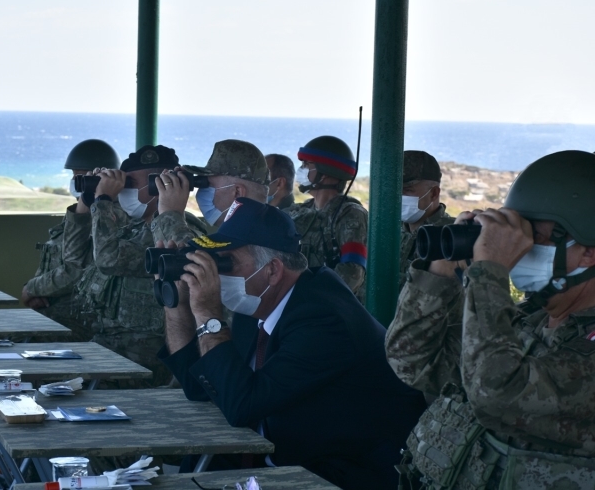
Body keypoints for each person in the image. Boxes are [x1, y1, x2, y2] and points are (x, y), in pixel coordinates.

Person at [159, 198, 426, 490]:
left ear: (272, 270)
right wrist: (177, 303)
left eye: (227, 262)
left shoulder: (324, 321)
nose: (220, 275)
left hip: (341, 471)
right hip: (281, 454)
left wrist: (209, 316)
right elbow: (200, 386)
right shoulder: (261, 303)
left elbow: (241, 406)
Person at [386, 150, 595, 488]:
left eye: (534, 238)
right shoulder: (528, 322)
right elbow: (411, 361)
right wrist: (441, 271)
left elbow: (495, 394)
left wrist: (490, 271)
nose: (522, 250)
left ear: (589, 250)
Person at [73, 145, 207, 387]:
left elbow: (108, 259)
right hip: (109, 347)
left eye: (131, 184)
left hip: (142, 357)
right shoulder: (133, 227)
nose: (124, 191)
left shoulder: (177, 232)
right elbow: (74, 257)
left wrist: (104, 200)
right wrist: (89, 201)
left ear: (160, 184)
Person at [21, 139, 120, 341]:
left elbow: (74, 268)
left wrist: (31, 289)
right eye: (75, 176)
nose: (78, 183)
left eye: (83, 177)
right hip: (55, 305)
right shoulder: (81, 212)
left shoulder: (110, 218)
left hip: (83, 315)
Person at [284, 136, 368, 303]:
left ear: (326, 173)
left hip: (328, 311)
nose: (301, 170)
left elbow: (352, 273)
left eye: (307, 165)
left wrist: (312, 299)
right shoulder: (303, 210)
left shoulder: (350, 215)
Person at [151, 139, 270, 245]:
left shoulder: (255, 242)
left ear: (237, 192)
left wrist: (170, 212)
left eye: (209, 184)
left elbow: (191, 264)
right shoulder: (262, 229)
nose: (202, 191)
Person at [398, 150, 456, 290]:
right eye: (395, 188)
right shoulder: (387, 230)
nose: (398, 196)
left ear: (434, 193)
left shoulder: (451, 236)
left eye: (407, 190)